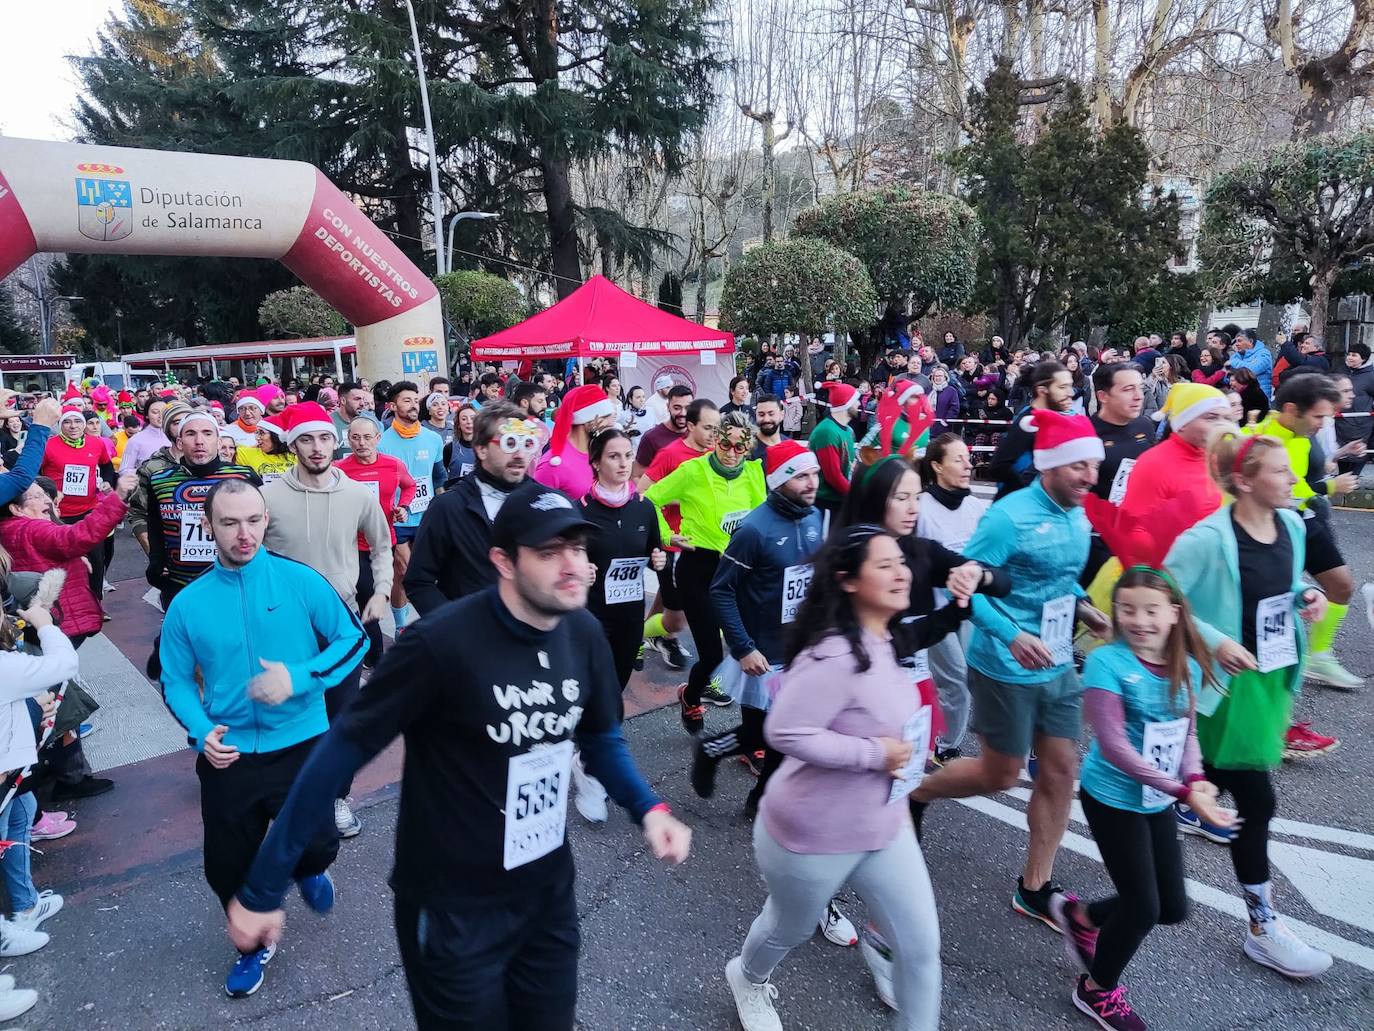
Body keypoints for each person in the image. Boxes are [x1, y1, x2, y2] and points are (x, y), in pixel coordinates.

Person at [226, 479, 692, 1029]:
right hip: (452, 907)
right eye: (549, 552)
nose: (573, 565)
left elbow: (600, 737)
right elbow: (338, 755)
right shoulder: (440, 643)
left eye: (577, 547)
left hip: (546, 893)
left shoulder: (582, 632)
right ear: (504, 562)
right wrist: (262, 888)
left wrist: (648, 807)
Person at [725, 527, 941, 1031]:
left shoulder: (887, 638)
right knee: (790, 927)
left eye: (901, 562)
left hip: (884, 824)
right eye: (885, 565)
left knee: (920, 950)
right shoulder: (834, 654)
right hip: (812, 834)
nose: (901, 573)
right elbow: (784, 731)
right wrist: (874, 753)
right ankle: (747, 978)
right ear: (848, 580)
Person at [159, 478, 365, 997]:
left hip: (302, 742)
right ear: (209, 526)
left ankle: (310, 868)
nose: (244, 533)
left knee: (317, 845)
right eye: (229, 523)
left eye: (253, 520)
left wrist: (300, 677)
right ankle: (252, 947)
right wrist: (200, 732)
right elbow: (175, 680)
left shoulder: (299, 580)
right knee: (225, 866)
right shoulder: (187, 603)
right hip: (227, 753)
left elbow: (353, 640)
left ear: (266, 519)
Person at [913, 409, 1110, 929]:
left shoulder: (1077, 512)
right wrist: (1012, 635)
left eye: (1094, 466)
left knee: (1061, 770)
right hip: (1005, 663)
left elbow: (1056, 576)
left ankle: (1035, 887)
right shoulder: (1008, 517)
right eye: (1079, 466)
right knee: (999, 774)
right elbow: (966, 587)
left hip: (1057, 659)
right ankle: (918, 793)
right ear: (1050, 464)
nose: (1090, 477)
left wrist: (1084, 605)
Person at [1164, 431, 1334, 979]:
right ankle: (1262, 926)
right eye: (1280, 471)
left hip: (1269, 679)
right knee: (1256, 801)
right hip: (1221, 687)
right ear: (1244, 481)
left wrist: (1308, 596)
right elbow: (1161, 599)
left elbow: (1282, 585)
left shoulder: (1291, 526)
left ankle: (1163, 808)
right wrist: (1216, 642)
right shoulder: (1206, 539)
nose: (1292, 479)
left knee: (1206, 784)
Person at [1051, 566, 1230, 1031]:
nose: (1139, 620)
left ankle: (1082, 916)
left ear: (1174, 614)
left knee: (1171, 907)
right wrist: (1184, 791)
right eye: (1127, 610)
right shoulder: (1107, 664)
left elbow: (1187, 733)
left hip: (1157, 798)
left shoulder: (1186, 665)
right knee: (1142, 907)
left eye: (1151, 610)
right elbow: (1114, 746)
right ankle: (1096, 990)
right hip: (1112, 798)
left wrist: (1197, 778)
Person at [262, 403, 394, 837]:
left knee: (341, 719)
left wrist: (381, 591)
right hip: (284, 628)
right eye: (306, 439)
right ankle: (290, 799)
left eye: (323, 438)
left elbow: (381, 546)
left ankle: (336, 798)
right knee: (288, 716)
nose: (317, 447)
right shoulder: (267, 498)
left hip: (342, 626)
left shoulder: (357, 494)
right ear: (292, 445)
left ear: (334, 441)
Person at [693, 441, 824, 813]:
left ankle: (762, 800)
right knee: (761, 732)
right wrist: (743, 647)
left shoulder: (814, 517)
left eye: (814, 474)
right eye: (801, 476)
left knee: (785, 732)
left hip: (800, 647)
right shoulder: (754, 530)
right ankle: (711, 750)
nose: (812, 483)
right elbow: (721, 591)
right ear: (779, 481)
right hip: (762, 652)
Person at [645, 411, 767, 732]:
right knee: (712, 654)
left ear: (748, 448)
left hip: (738, 570)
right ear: (715, 440)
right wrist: (666, 536)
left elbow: (762, 517)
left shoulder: (753, 473)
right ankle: (690, 696)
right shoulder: (693, 471)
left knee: (750, 649)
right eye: (725, 444)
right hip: (699, 568)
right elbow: (650, 500)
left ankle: (752, 733)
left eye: (740, 447)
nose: (731, 453)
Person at [1245, 374, 1362, 698]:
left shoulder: (1302, 432)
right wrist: (1328, 487)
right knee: (1276, 608)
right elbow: (1280, 492)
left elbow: (1307, 474)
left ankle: (1318, 655)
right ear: (1291, 409)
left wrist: (1334, 462)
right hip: (1273, 527)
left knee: (1342, 585)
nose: (1322, 423)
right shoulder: (1263, 438)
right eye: (1318, 416)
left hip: (1305, 520)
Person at [574, 427, 667, 822]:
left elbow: (654, 551)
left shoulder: (644, 508)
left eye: (628, 455)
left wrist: (660, 560)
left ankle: (586, 750)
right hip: (590, 617)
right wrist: (580, 570)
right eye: (614, 456)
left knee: (614, 688)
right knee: (605, 696)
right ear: (596, 462)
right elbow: (564, 563)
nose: (624, 463)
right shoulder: (579, 511)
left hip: (629, 616)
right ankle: (592, 769)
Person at [0, 589, 82, 996]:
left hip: (11, 772)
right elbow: (64, 664)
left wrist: (33, 704)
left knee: (20, 816)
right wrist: (45, 624)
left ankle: (24, 906)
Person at [403, 403, 536, 612]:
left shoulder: (546, 502)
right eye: (509, 443)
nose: (520, 454)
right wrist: (455, 624)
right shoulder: (447, 507)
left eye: (527, 443)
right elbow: (419, 582)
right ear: (481, 449)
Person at [916, 435, 993, 761]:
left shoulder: (976, 507)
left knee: (963, 676)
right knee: (956, 679)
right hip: (932, 608)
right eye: (958, 459)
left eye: (968, 459)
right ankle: (946, 746)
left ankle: (932, 730)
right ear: (936, 466)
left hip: (969, 606)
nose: (967, 466)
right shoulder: (919, 508)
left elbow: (988, 559)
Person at [337, 416, 417, 668]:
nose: (361, 443)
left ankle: (375, 649)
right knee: (366, 595)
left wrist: (403, 507)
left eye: (367, 437)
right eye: (355, 437)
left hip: (384, 541)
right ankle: (377, 656)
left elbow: (410, 486)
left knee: (383, 591)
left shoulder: (393, 465)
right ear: (348, 439)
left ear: (378, 438)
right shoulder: (339, 469)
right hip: (353, 544)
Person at [379, 381, 445, 633]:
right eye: (406, 400)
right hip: (398, 519)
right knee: (404, 571)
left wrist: (442, 506)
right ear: (393, 406)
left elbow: (438, 477)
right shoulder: (382, 443)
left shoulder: (433, 439)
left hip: (427, 516)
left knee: (430, 574)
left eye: (416, 400)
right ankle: (400, 627)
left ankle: (431, 624)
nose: (413, 405)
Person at [1085, 363, 1154, 583]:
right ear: (1103, 396)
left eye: (1140, 388)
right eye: (1128, 389)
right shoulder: (1086, 433)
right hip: (1097, 541)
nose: (1138, 396)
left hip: (1139, 535)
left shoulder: (1145, 426)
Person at [988, 360, 1073, 498]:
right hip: (1016, 506)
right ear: (1042, 391)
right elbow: (998, 466)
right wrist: (1028, 493)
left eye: (1070, 386)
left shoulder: (1051, 420)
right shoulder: (1028, 422)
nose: (1070, 393)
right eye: (1062, 387)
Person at [532, 385, 616, 498]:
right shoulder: (553, 465)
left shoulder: (601, 454)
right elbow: (536, 505)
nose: (611, 423)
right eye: (604, 417)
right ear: (586, 420)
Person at [808, 382, 860, 519]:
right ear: (846, 404)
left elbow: (848, 466)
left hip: (841, 500)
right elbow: (833, 476)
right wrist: (855, 496)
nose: (859, 404)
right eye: (855, 400)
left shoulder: (847, 430)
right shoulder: (827, 432)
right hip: (827, 504)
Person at [633, 384, 692, 476]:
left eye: (688, 408)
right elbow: (637, 475)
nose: (683, 413)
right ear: (668, 407)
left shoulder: (698, 434)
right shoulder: (651, 437)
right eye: (677, 408)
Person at [1336, 341, 1374, 478]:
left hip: (1360, 423)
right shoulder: (1340, 371)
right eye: (1349, 354)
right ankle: (1343, 478)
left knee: (1358, 453)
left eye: (1354, 355)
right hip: (1340, 423)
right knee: (1341, 454)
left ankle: (1353, 479)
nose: (1350, 357)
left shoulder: (1371, 376)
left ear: (1363, 359)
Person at [235, 418, 297, 483]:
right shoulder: (245, 454)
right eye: (257, 433)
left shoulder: (297, 455)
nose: (257, 438)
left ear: (276, 436)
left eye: (261, 433)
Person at [328, 382, 373, 457]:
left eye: (363, 399)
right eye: (357, 399)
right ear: (343, 400)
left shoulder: (368, 421)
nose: (362, 403)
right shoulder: (329, 423)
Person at [1227, 330, 1274, 399]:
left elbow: (1253, 370)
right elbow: (1227, 376)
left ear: (1250, 341)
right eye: (1236, 341)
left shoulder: (1263, 353)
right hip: (1240, 396)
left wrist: (1233, 362)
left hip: (1260, 397)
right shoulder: (1237, 356)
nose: (1236, 344)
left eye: (1239, 341)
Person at [443, 402, 478, 482]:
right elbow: (441, 476)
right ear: (458, 424)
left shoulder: (485, 448)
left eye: (472, 418)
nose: (469, 422)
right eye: (464, 419)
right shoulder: (449, 448)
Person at [749, 393, 787, 459]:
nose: (766, 419)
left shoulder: (790, 447)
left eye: (771, 414)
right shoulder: (746, 449)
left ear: (782, 415)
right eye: (761, 415)